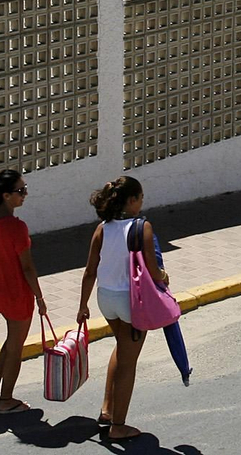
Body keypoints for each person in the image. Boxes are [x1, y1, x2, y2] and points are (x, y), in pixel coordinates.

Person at [77, 176, 168, 441]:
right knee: (129, 363)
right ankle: (118, 425)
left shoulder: (102, 228)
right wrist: (164, 276)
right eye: (140, 198)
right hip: (132, 301)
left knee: (121, 348)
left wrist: (82, 305)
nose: (142, 203)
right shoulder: (142, 227)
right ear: (131, 200)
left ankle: (107, 410)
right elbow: (153, 269)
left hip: (106, 299)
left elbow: (89, 271)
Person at [0, 169, 47, 415]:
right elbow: (27, 267)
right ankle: (6, 399)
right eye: (20, 191)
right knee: (16, 347)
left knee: (12, 340)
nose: (24, 194)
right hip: (17, 293)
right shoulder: (17, 227)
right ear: (6, 195)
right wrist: (39, 296)